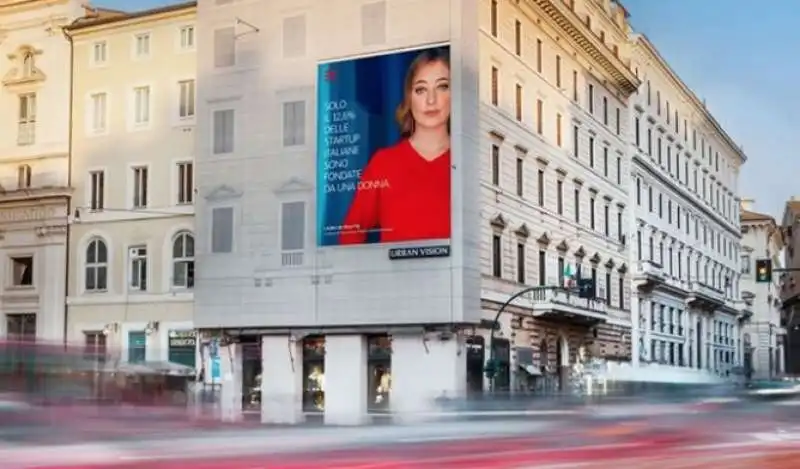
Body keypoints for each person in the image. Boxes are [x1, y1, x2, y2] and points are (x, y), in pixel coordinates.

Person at [339, 48, 451, 245]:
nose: (431, 100)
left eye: (442, 87)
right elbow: (349, 236)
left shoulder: (470, 161)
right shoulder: (383, 163)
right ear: (409, 97)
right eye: (421, 89)